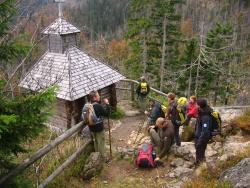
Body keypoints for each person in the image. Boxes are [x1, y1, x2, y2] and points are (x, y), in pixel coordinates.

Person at [87, 90, 110, 160]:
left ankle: (97, 158)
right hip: (99, 128)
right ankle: (104, 158)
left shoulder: (88, 106)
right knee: (101, 143)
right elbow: (107, 114)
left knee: (96, 142)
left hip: (91, 128)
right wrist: (107, 104)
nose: (99, 96)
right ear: (94, 98)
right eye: (98, 95)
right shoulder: (98, 106)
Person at [195, 99, 213, 166]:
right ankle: (199, 162)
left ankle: (200, 164)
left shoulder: (205, 116)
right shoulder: (202, 111)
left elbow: (205, 130)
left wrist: (200, 140)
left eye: (197, 104)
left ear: (200, 105)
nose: (196, 105)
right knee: (199, 150)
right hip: (199, 135)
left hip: (202, 136)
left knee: (200, 149)